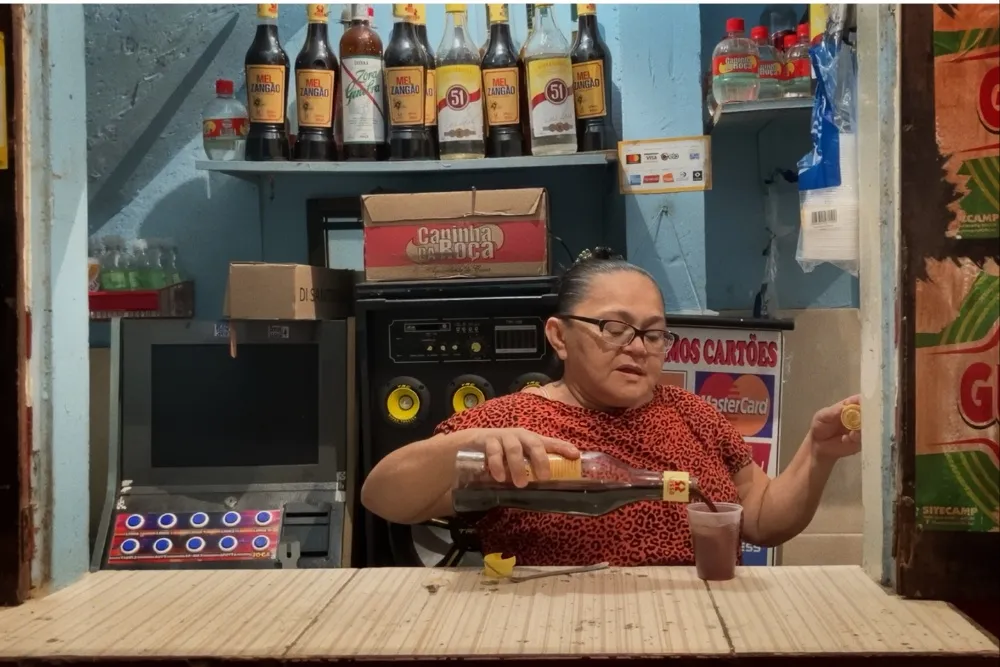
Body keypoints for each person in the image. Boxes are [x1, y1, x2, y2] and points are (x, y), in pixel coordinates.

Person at [361, 247, 862, 566]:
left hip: (696, 634)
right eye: (615, 328)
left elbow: (760, 519)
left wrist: (817, 454)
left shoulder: (695, 416)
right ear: (559, 336)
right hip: (550, 638)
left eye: (653, 333)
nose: (638, 347)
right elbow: (382, 496)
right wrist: (468, 446)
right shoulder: (508, 423)